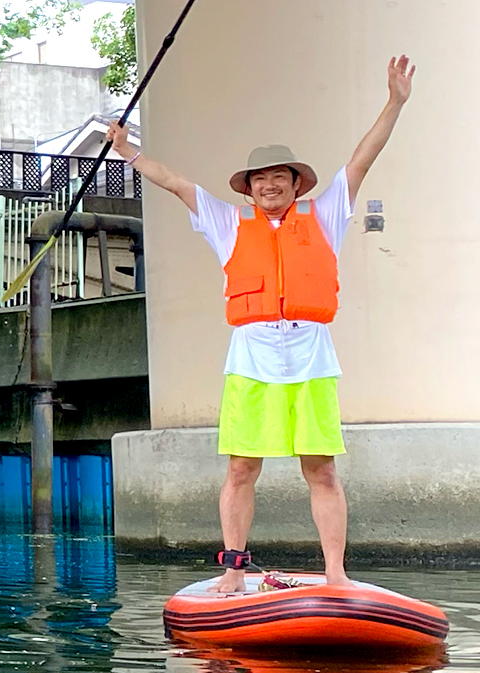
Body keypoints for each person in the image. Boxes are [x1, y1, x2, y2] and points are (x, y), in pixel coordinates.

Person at [110, 55, 414, 594]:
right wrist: (130, 152)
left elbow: (362, 160)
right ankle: (234, 567)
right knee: (240, 469)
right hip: (251, 356)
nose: (270, 184)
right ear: (247, 189)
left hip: (311, 354)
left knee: (321, 470)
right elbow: (177, 184)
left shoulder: (324, 215)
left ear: (296, 184)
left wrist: (394, 102)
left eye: (280, 176)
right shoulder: (228, 223)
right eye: (261, 178)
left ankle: (337, 573)